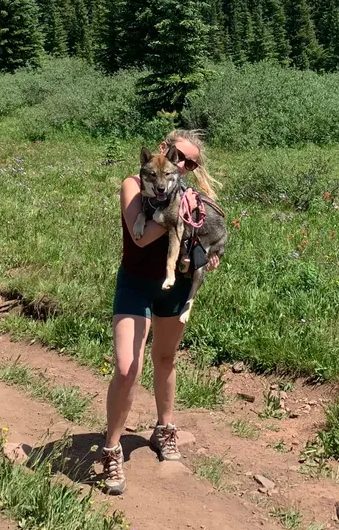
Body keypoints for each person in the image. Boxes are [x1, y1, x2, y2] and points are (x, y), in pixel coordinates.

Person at [99, 129, 221, 495]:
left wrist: (206, 255)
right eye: (178, 157)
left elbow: (203, 236)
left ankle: (164, 429)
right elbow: (140, 237)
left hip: (176, 284)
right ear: (164, 151)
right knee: (126, 367)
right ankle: (111, 449)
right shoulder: (132, 184)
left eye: (189, 163)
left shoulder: (191, 196)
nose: (182, 165)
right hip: (136, 282)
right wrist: (173, 214)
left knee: (165, 358)